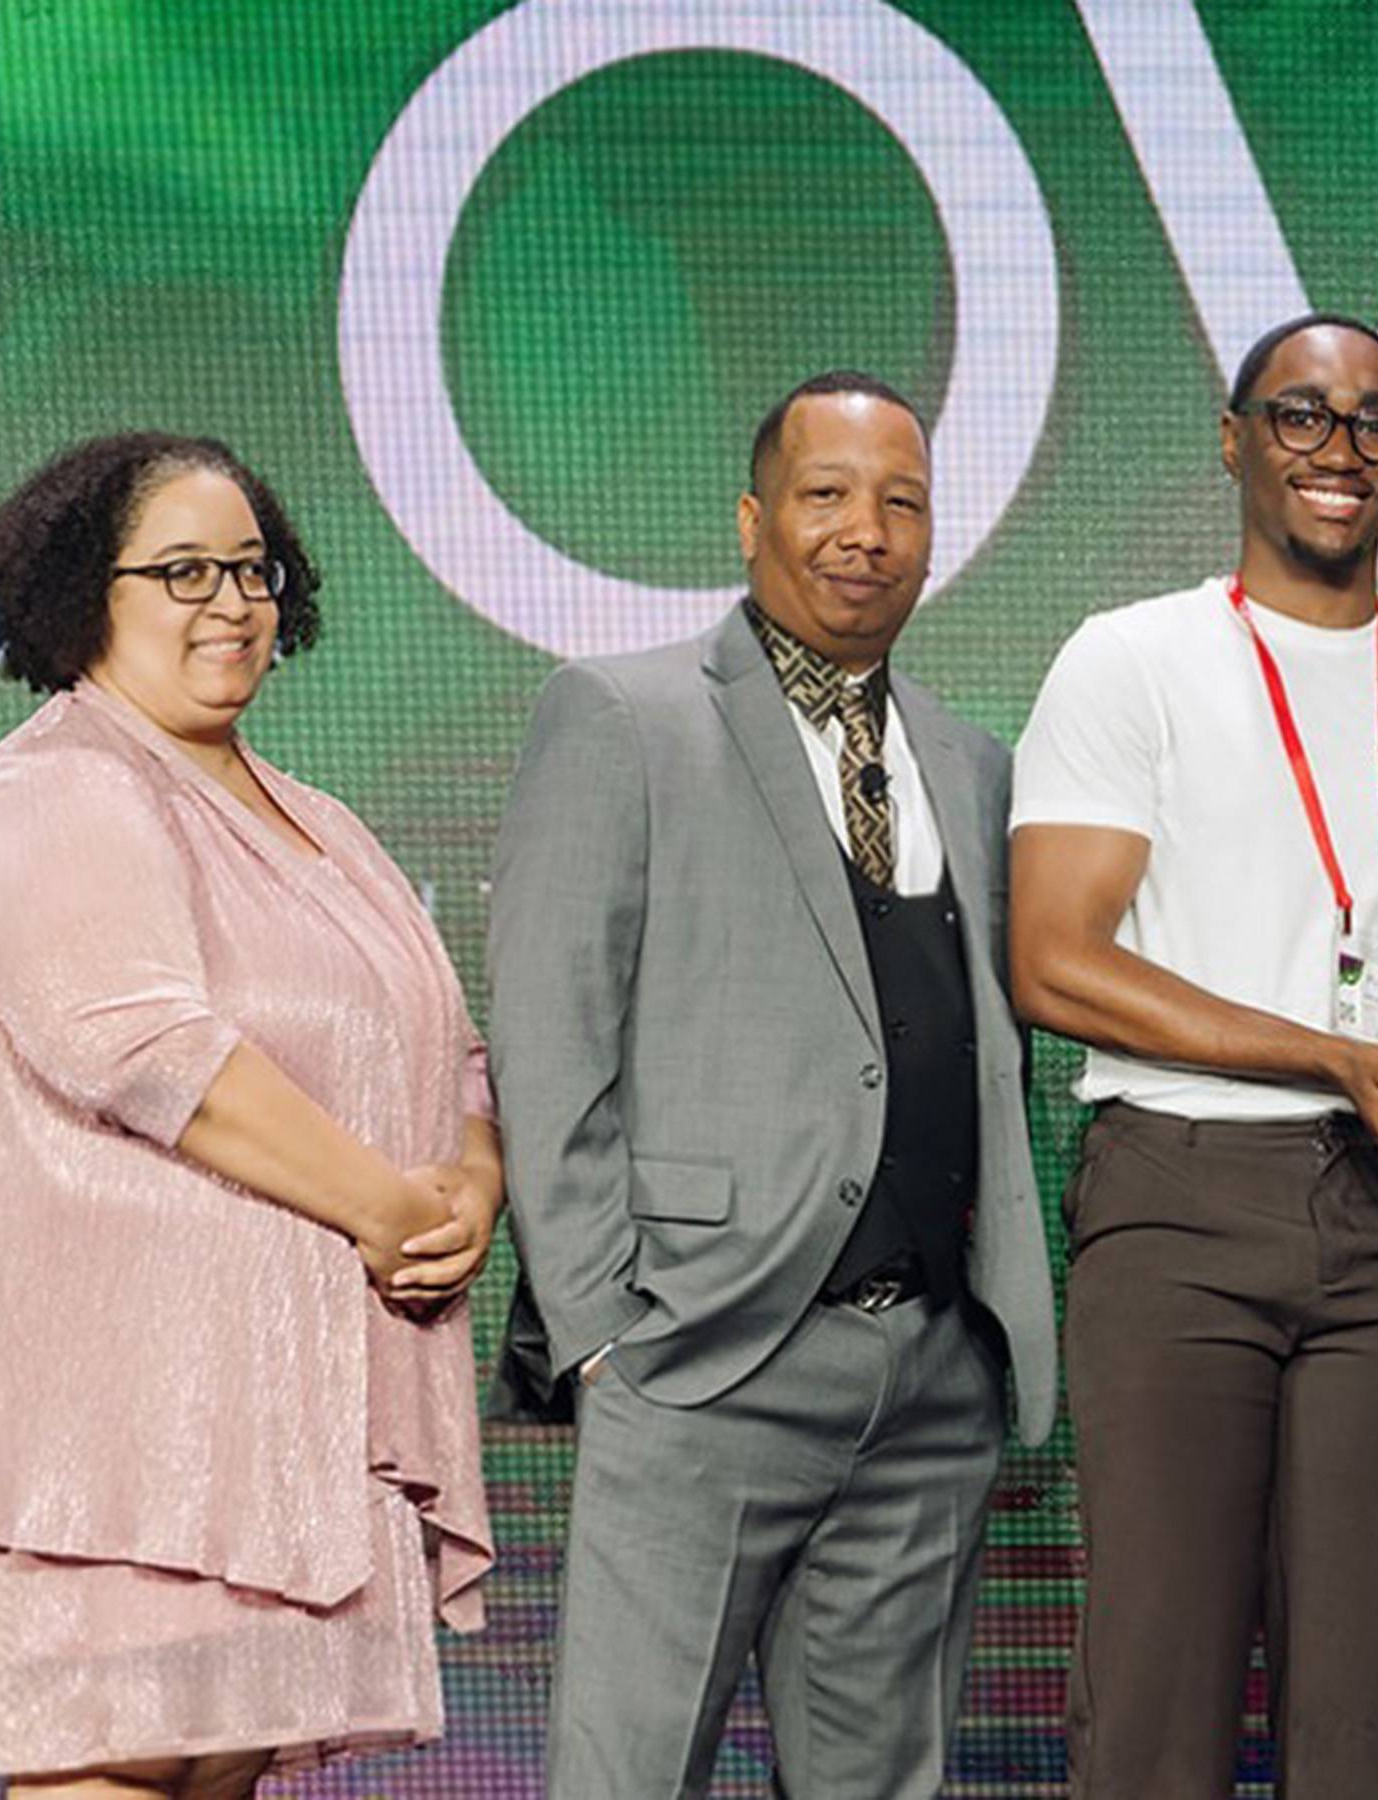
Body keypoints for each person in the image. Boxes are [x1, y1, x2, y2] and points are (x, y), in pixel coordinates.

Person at [0, 434, 495, 1796]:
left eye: (253, 569)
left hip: (296, 1428)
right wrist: (383, 1206)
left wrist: (471, 1184)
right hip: (127, 1440)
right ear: (77, 598)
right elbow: (145, 1048)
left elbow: (453, 1053)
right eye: (180, 571)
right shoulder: (57, 788)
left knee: (215, 1775)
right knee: (114, 1769)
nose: (230, 602)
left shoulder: (325, 825)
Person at [488, 370, 1055, 1797]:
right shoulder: (624, 717)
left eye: (901, 501)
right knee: (630, 1774)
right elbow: (549, 1037)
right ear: (753, 519)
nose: (865, 529)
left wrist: (972, 1342)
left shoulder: (972, 764)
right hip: (704, 1354)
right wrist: (604, 1328)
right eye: (826, 494)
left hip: (927, 1373)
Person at [1008, 311, 1378, 1797]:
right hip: (1179, 1196)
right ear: (1235, 440)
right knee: (1156, 1698)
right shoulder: (1131, 660)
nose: (1340, 450)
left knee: (1364, 1711)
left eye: (1376, 423)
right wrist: (1330, 1054)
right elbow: (1057, 960)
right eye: (1302, 416)